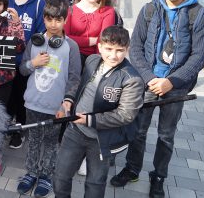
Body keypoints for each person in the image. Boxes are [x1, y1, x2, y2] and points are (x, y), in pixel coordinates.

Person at [110, 0, 204, 198]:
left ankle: (158, 177)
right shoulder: (150, 9)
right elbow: (136, 48)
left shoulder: (199, 14)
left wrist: (172, 81)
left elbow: (200, 56)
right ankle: (132, 169)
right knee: (138, 129)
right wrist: (148, 76)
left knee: (166, 135)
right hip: (147, 81)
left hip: (177, 86)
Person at [55, 26, 144, 198]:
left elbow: (126, 114)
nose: (113, 55)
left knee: (95, 184)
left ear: (127, 50)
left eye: (120, 50)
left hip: (103, 140)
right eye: (109, 49)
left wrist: (90, 120)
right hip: (75, 131)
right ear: (100, 46)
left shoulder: (132, 79)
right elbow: (79, 85)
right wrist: (68, 100)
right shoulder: (92, 60)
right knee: (60, 176)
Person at [15, 0, 81, 197]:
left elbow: (74, 77)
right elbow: (23, 70)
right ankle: (31, 172)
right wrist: (33, 63)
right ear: (43, 19)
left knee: (51, 142)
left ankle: (46, 175)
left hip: (55, 107)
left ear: (65, 20)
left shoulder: (71, 46)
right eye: (49, 19)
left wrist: (67, 103)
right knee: (33, 140)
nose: (53, 24)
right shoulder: (35, 42)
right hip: (32, 103)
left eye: (58, 20)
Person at [6, 0, 46, 149]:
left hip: (26, 60)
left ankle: (19, 130)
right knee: (8, 97)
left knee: (23, 97)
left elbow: (40, 34)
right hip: (6, 59)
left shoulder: (38, 3)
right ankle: (7, 126)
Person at [64, 0, 115, 67]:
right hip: (70, 57)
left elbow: (104, 41)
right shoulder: (69, 10)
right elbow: (65, 39)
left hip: (95, 59)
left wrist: (96, 65)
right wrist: (93, 41)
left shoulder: (108, 12)